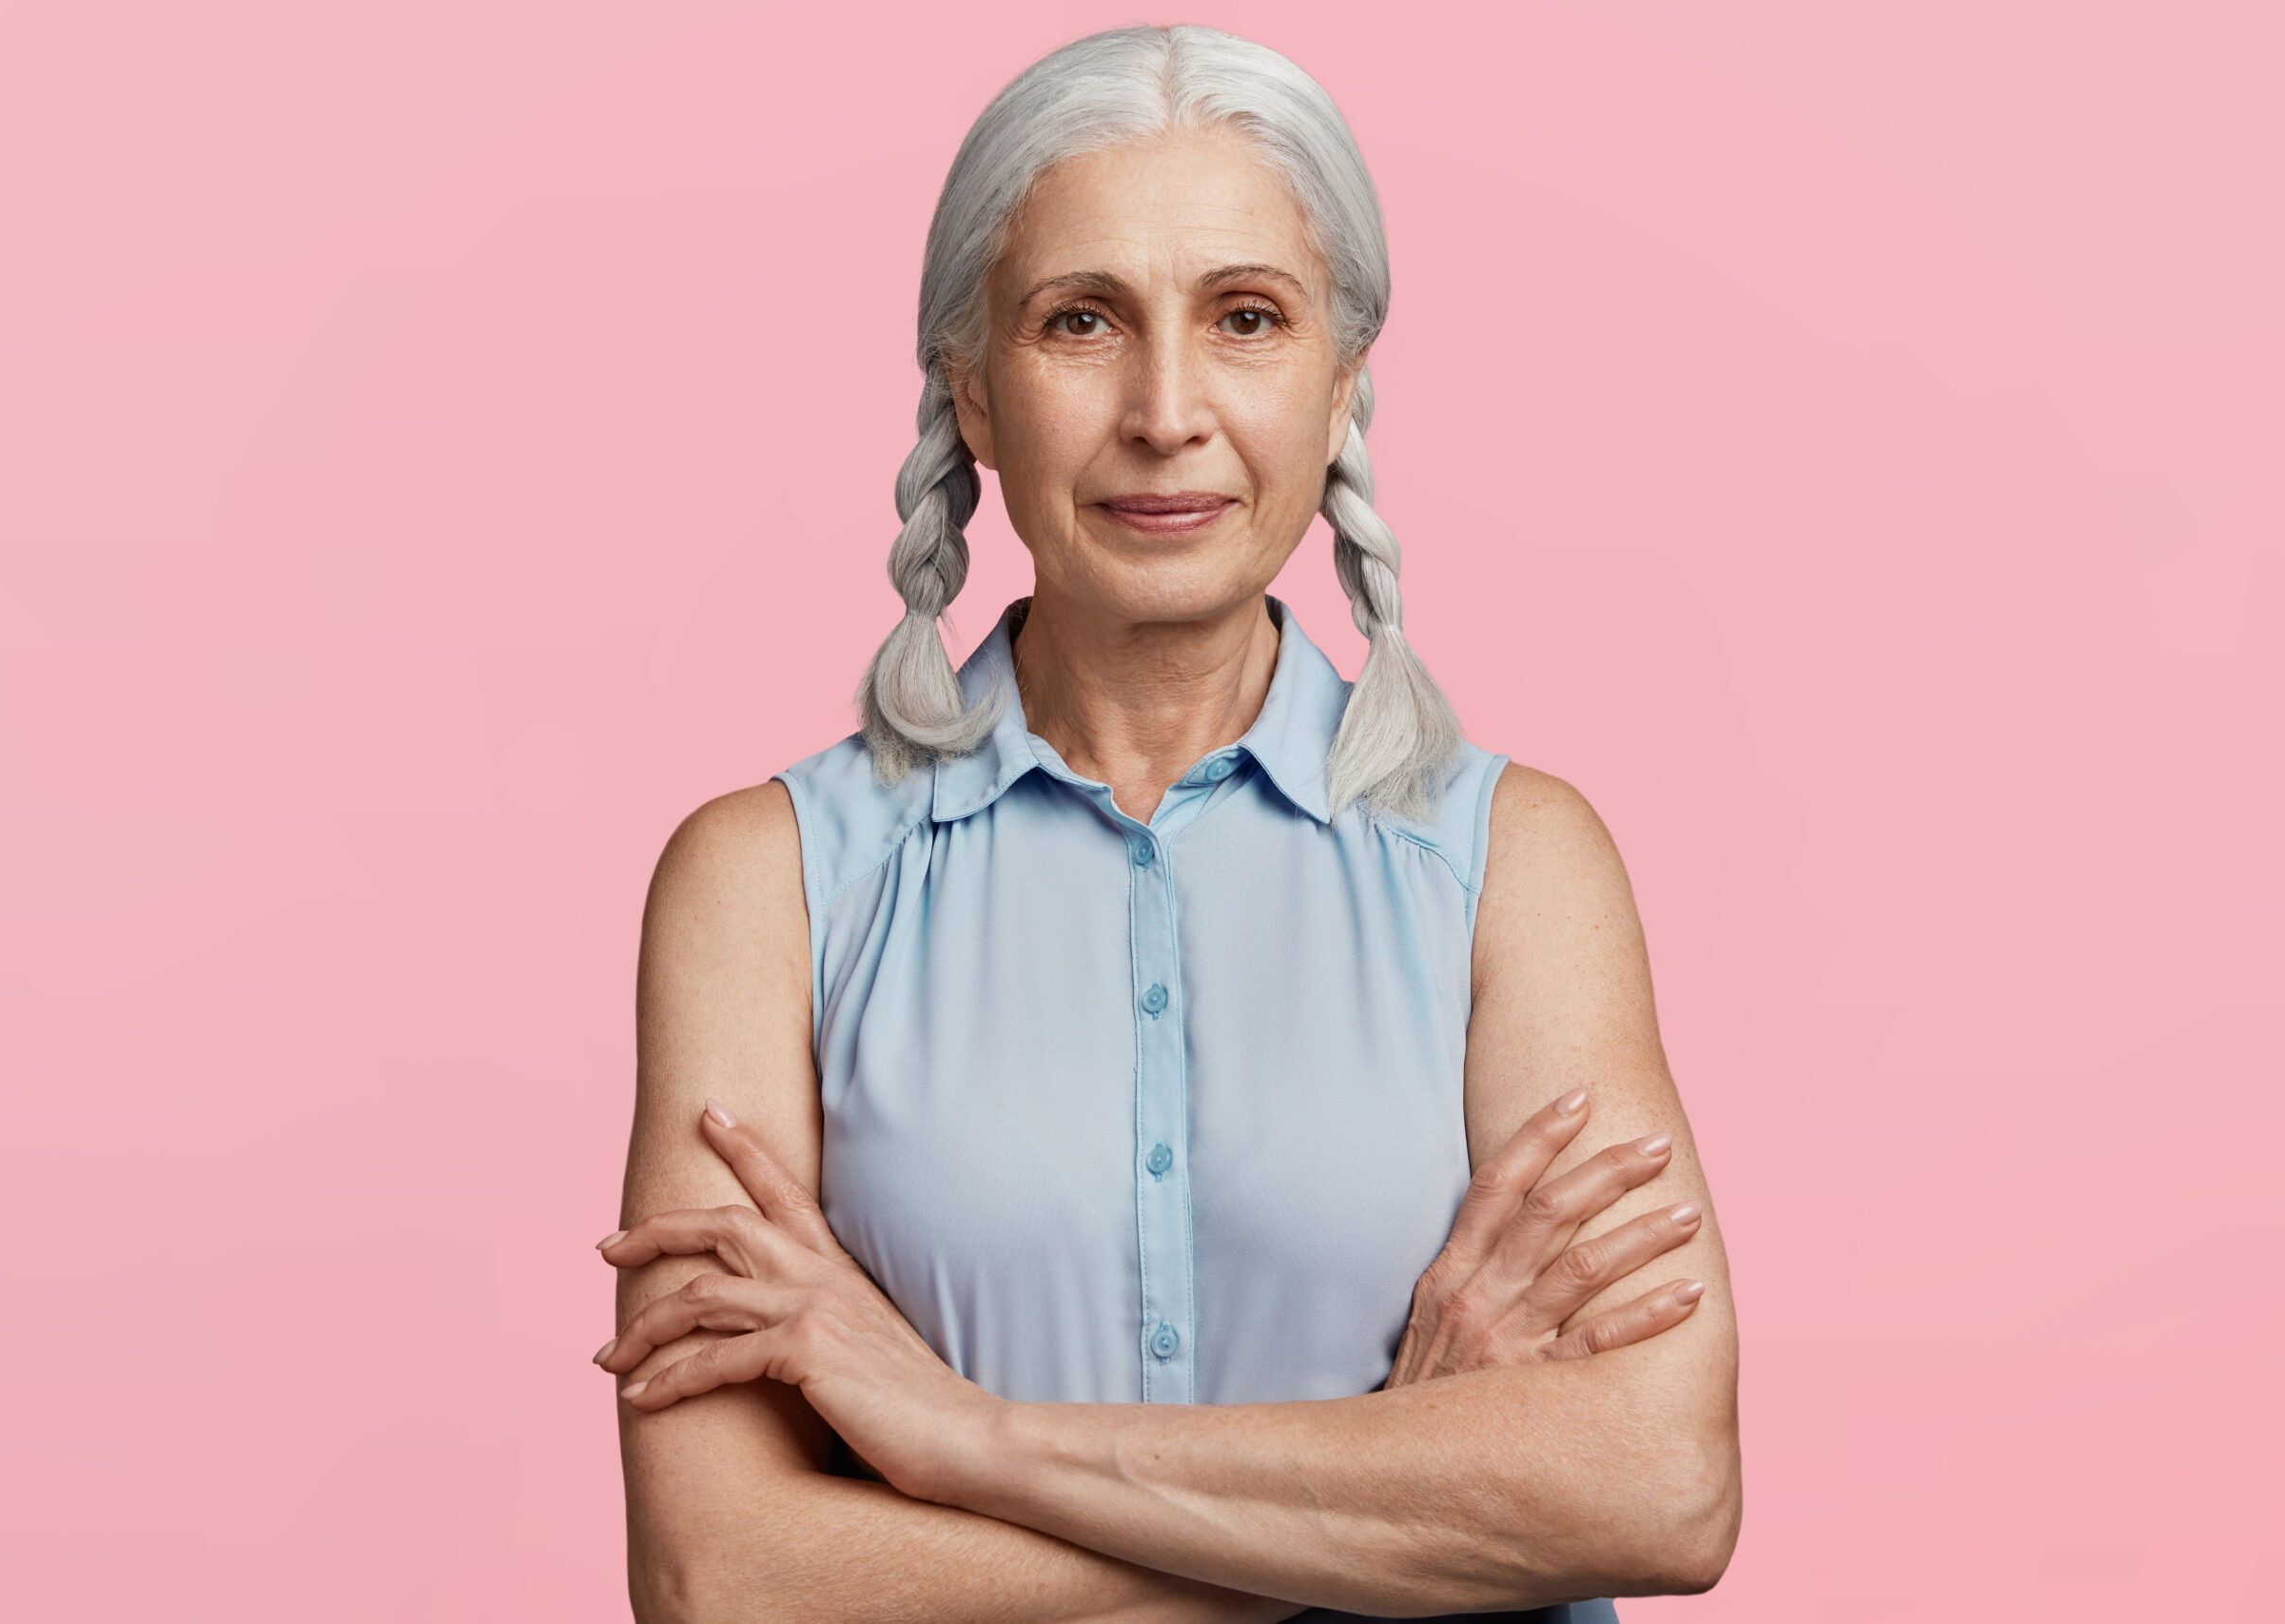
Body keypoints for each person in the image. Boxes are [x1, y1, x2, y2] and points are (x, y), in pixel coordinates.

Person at [595, 25, 1740, 1622]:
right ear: (973, 394)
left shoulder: (1518, 869)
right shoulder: (764, 888)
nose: (1166, 409)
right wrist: (1406, 1493)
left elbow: (1662, 1488)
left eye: (1248, 319)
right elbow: (723, 1578)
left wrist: (963, 1438)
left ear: (1341, 382)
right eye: (1081, 323)